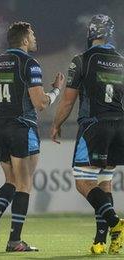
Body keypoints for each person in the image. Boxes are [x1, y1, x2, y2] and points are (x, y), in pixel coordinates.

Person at [0, 21, 64, 252]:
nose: (35, 38)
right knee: (24, 184)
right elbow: (40, 103)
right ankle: (15, 240)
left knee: (11, 181)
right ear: (25, 39)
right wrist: (56, 90)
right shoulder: (30, 63)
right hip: (22, 128)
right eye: (33, 34)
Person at [51, 14, 124, 255]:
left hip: (94, 126)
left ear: (90, 33)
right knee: (104, 182)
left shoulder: (81, 60)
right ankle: (101, 241)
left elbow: (68, 100)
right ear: (110, 33)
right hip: (119, 127)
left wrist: (56, 124)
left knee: (83, 182)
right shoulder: (122, 61)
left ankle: (116, 223)